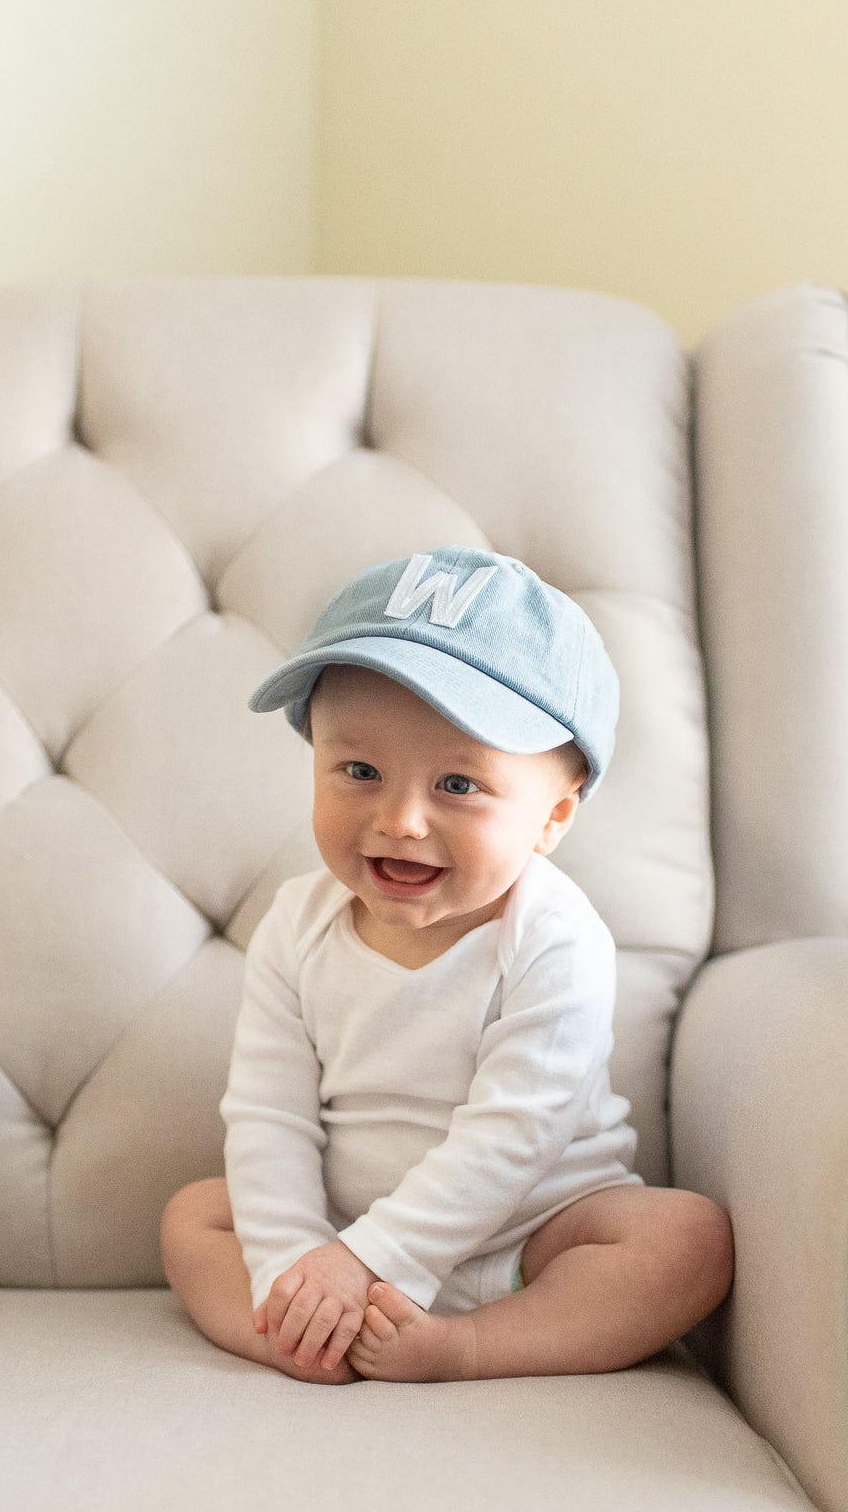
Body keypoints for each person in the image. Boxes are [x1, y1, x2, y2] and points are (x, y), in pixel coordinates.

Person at [161, 546, 733, 1385]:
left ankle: (470, 1346)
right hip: (338, 1232)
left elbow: (516, 1132)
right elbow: (268, 1114)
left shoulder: (554, 938)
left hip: (529, 1233)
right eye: (359, 771)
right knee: (194, 1217)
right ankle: (299, 1334)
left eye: (458, 785)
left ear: (553, 815)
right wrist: (295, 1266)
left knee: (683, 1239)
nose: (400, 820)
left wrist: (377, 1260)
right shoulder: (295, 925)